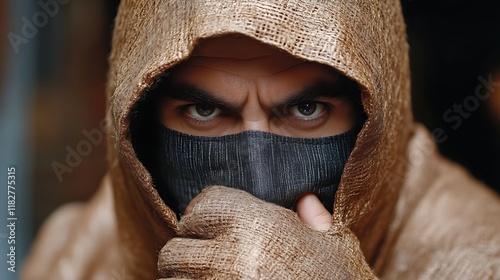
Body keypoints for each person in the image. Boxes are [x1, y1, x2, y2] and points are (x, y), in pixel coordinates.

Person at [22, 1, 500, 279]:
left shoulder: (478, 257)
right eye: (204, 111)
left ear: (377, 120)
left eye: (306, 109)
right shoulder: (76, 256)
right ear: (137, 123)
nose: (260, 185)